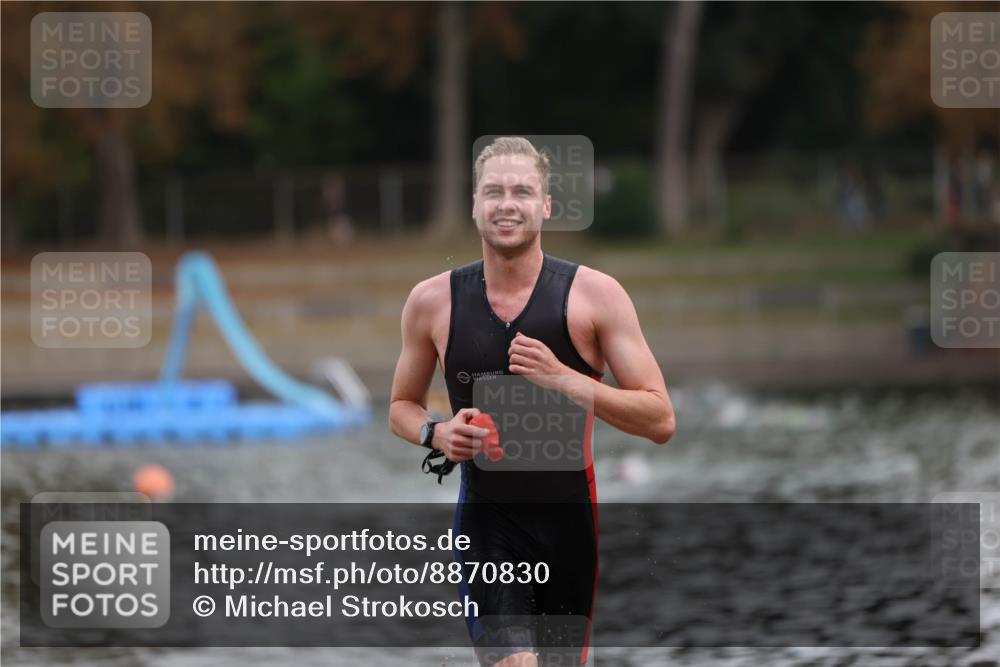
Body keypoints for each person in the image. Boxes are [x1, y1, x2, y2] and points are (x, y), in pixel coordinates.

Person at [389, 136, 675, 666]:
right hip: (486, 523)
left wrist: (568, 380)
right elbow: (400, 407)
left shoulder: (596, 296)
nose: (506, 203)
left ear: (545, 206)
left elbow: (660, 418)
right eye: (493, 191)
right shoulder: (432, 302)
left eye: (522, 191)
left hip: (568, 527)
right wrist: (438, 432)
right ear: (474, 204)